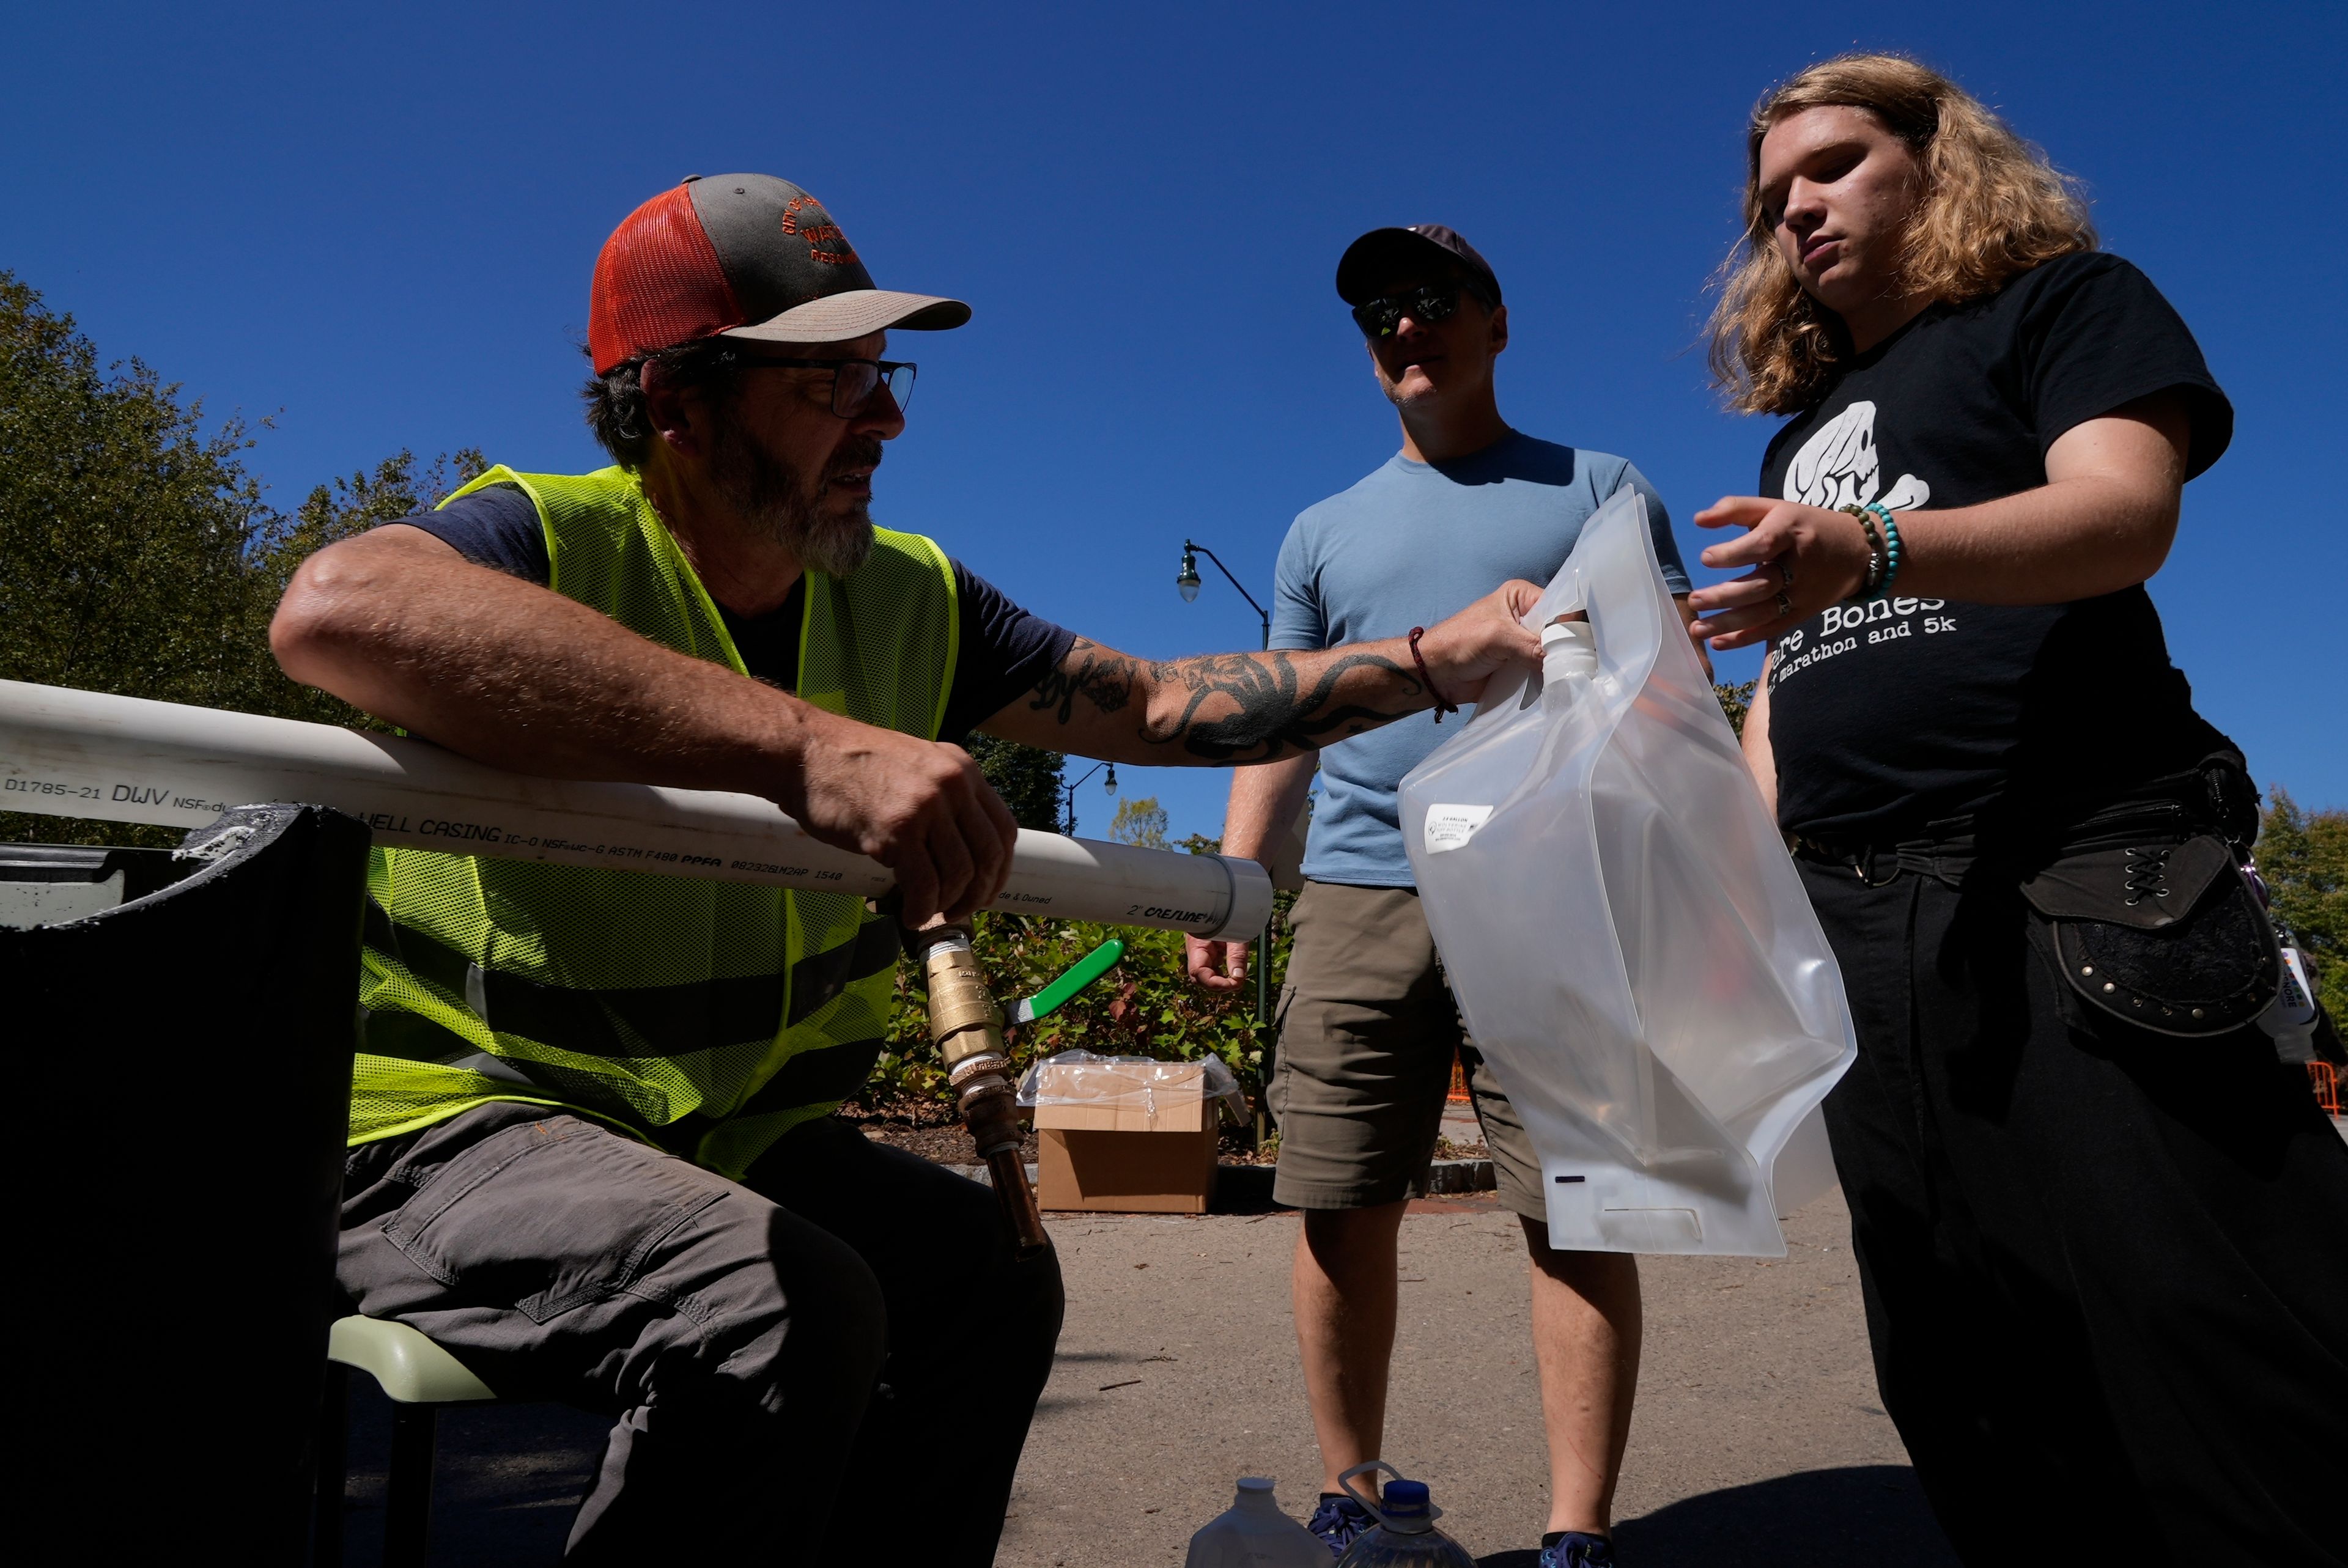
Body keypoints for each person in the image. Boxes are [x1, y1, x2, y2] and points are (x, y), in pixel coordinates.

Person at [270, 174, 1546, 1566]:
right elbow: (338, 608)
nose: (883, 420)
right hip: (450, 1125)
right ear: (680, 406)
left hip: (721, 1132)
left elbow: (1162, 702)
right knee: (781, 1303)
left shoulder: (909, 593)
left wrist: (1430, 661)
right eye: (830, 383)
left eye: (886, 376)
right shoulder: (546, 538)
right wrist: (809, 748)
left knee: (992, 1279)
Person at [1689, 56, 2348, 1567]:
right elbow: (1792, 683)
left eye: (1837, 164)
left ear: (1941, 162)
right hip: (1860, 927)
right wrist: (1730, 882)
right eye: (1772, 193)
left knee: (2210, 1320)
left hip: (2070, 875)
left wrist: (1875, 541)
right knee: (1960, 1355)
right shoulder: (1802, 434)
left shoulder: (2064, 305)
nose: (1797, 207)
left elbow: (2125, 512)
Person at [1186, 224, 1703, 1567]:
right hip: (1362, 887)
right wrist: (1244, 884)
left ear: (1496, 321)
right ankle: (1350, 1495)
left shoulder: (1601, 484)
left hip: (1553, 891)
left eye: (1429, 300)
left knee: (1572, 1206)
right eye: (1376, 313)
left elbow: (1670, 687)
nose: (1400, 326)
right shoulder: (1321, 526)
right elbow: (1283, 723)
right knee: (1339, 1198)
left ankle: (1576, 1529)